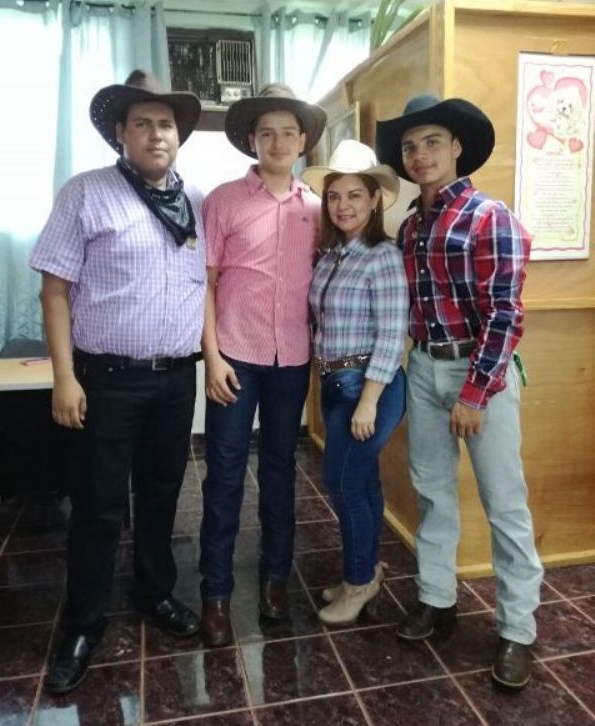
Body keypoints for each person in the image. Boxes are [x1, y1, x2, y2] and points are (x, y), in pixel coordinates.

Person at [30, 71, 206, 695]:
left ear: (178, 136)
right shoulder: (86, 193)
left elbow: (206, 285)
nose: (156, 134)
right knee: (99, 506)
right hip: (106, 380)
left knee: (161, 495)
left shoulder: (195, 200)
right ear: (120, 134)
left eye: (166, 125)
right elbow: (54, 290)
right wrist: (63, 378)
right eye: (143, 124)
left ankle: (155, 592)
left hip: (175, 380)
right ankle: (84, 623)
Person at [375, 94, 544, 689]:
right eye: (409, 146)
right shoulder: (411, 227)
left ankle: (517, 629)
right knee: (432, 492)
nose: (419, 155)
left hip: (481, 373)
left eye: (431, 143)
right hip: (424, 366)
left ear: (456, 148)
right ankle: (437, 600)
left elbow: (505, 313)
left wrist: (475, 392)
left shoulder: (488, 216)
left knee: (504, 502)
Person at [198, 84, 326, 647]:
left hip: (291, 358)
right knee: (225, 474)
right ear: (252, 140)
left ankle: (275, 579)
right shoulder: (223, 200)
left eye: (288, 133)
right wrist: (211, 357)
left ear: (303, 141)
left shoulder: (316, 209)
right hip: (234, 357)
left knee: (280, 470)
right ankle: (215, 592)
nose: (278, 142)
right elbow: (204, 284)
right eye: (267, 132)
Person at [303, 140, 408, 626]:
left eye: (354, 195)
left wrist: (369, 401)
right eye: (334, 196)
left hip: (369, 386)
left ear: (374, 199)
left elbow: (392, 334)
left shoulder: (383, 255)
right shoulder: (331, 256)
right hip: (335, 384)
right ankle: (365, 569)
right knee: (362, 482)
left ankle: (360, 581)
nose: (342, 205)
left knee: (342, 485)